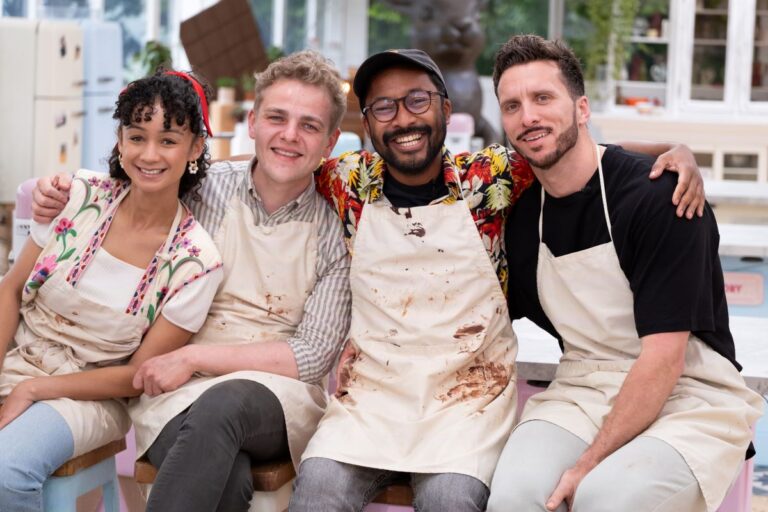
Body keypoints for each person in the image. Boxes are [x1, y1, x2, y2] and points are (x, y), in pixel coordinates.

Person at [288, 49, 706, 512]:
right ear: (367, 124)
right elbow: (281, 160)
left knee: (454, 499)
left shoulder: (490, 179)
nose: (403, 118)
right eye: (383, 107)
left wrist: (675, 152)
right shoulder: (347, 181)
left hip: (466, 404)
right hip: (369, 402)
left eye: (418, 101)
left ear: (446, 110)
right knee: (315, 491)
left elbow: (574, 148)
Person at [31, 50, 351, 512]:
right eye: (277, 118)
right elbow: (128, 185)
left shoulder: (336, 228)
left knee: (226, 404)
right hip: (172, 393)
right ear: (253, 121)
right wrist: (57, 195)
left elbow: (312, 353)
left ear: (330, 140)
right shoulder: (201, 186)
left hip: (274, 396)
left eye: (309, 125)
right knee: (226, 479)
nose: (289, 135)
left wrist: (195, 356)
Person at [488, 35, 764, 512]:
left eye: (543, 98)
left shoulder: (662, 199)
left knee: (607, 497)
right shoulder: (519, 212)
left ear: (582, 108)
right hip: (583, 386)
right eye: (512, 105)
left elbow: (663, 360)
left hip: (689, 392)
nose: (528, 116)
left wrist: (585, 465)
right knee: (514, 496)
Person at [0, 70, 223, 512]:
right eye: (137, 136)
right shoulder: (78, 198)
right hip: (15, 363)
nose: (149, 154)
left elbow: (136, 375)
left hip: (89, 399)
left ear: (195, 147)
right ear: (120, 140)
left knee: (7, 470)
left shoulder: (196, 261)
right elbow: (9, 292)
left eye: (168, 140)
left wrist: (34, 390)